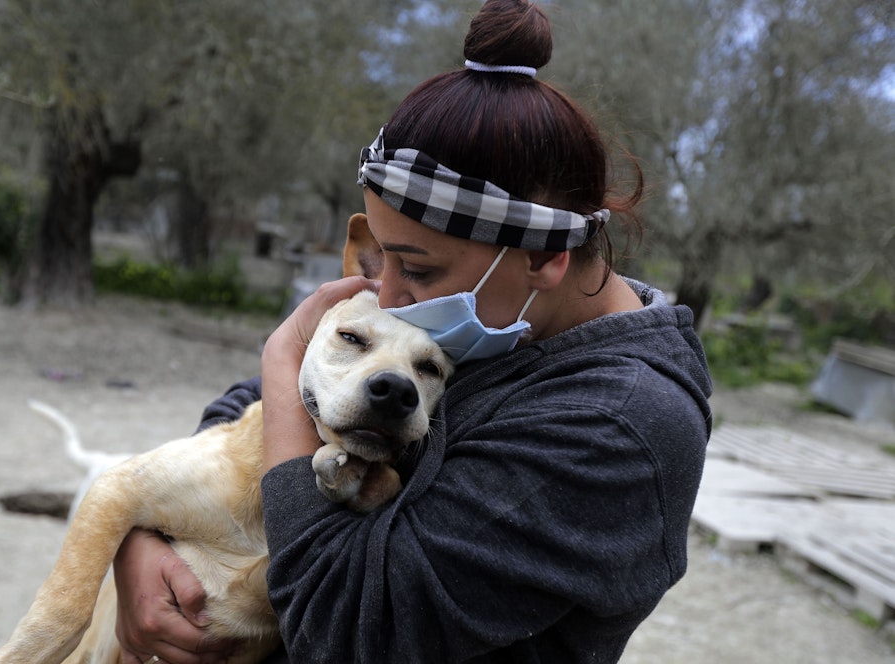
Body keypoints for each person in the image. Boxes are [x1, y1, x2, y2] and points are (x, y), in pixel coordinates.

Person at [111, 1, 713, 662]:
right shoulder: (499, 315)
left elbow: (337, 625)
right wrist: (154, 537)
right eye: (385, 257)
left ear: (543, 258)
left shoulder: (616, 426)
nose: (387, 295)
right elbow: (259, 408)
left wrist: (285, 355)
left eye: (418, 267)